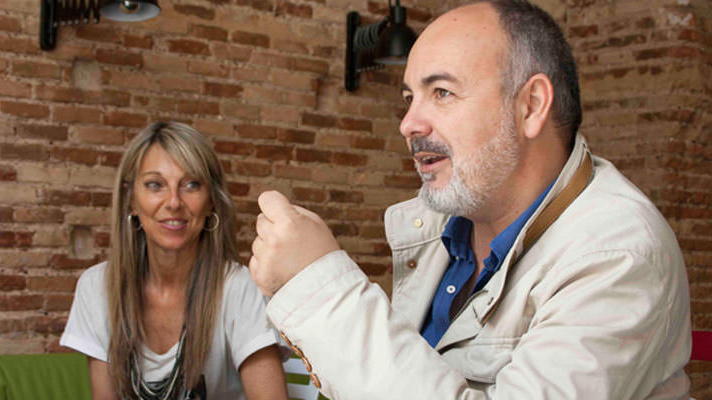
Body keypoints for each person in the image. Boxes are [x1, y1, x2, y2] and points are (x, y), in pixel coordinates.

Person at [248, 1, 692, 399]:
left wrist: (322, 290)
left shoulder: (618, 254)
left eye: (441, 92)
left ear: (531, 106)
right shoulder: (443, 225)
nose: (408, 123)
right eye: (409, 97)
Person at [61, 122, 289, 400]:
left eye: (191, 184)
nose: (173, 202)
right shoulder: (97, 287)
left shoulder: (240, 287)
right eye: (155, 184)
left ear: (210, 203)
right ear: (132, 199)